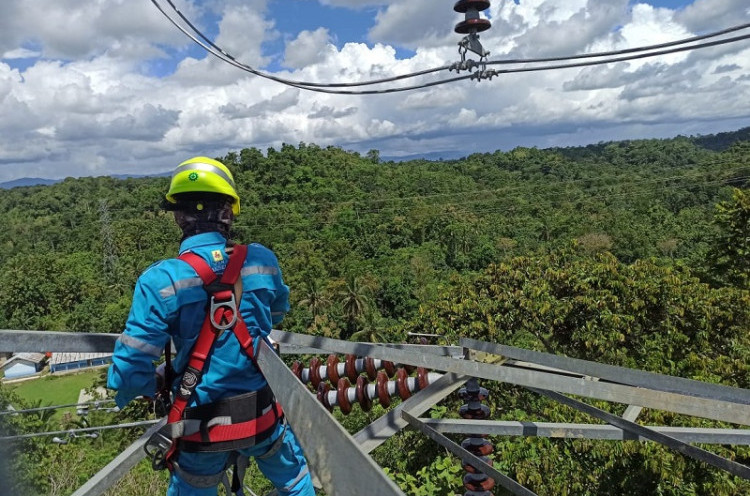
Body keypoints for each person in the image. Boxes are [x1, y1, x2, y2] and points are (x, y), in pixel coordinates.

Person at [107, 156, 315, 496]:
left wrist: (149, 386)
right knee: (294, 482)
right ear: (229, 212)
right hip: (262, 414)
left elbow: (129, 367)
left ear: (178, 216)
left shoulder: (162, 279)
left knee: (195, 486)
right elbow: (276, 313)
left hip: (201, 429)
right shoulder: (262, 260)